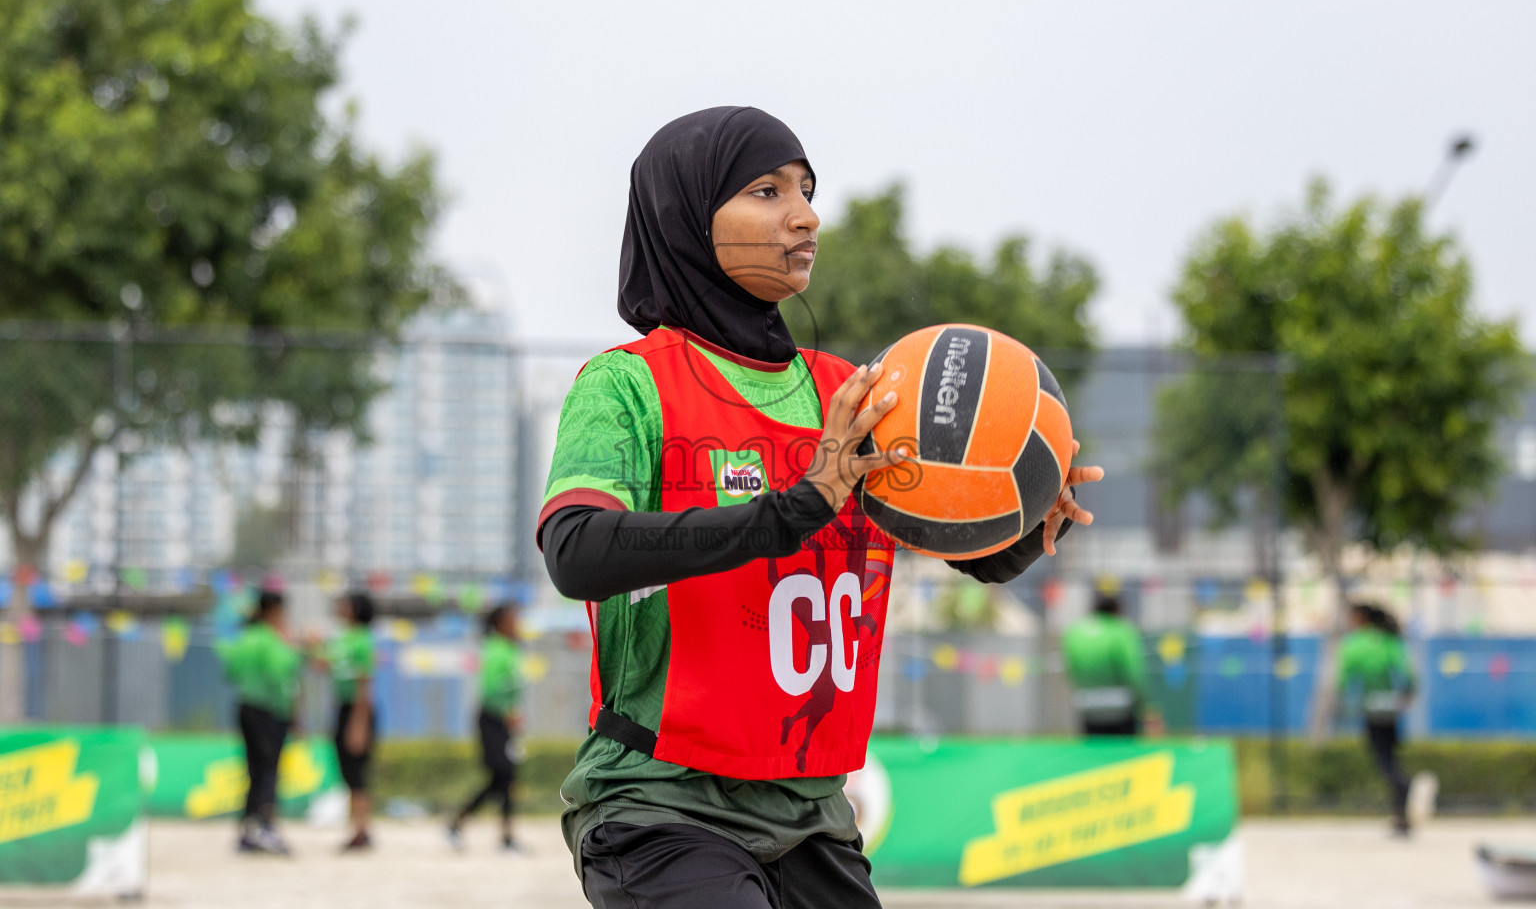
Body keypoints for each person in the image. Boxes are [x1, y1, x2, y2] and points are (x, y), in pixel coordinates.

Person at [537, 106, 1105, 908]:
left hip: (812, 816)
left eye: (806, 189)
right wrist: (796, 506)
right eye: (766, 192)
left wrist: (1023, 522)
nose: (804, 215)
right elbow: (576, 551)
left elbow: (960, 548)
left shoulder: (849, 389)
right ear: (689, 219)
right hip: (662, 805)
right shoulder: (627, 385)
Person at [218, 589, 301, 855]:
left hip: (245, 706)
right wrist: (292, 648)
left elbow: (230, 672)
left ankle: (247, 830)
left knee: (253, 770)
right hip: (270, 710)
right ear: (274, 611)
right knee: (269, 769)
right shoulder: (270, 639)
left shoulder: (245, 637)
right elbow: (283, 674)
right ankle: (266, 826)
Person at [447, 603, 524, 852]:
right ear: (501, 622)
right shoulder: (494, 649)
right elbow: (491, 689)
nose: (518, 623)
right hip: (491, 719)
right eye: (513, 618)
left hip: (504, 721)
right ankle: (460, 823)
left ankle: (504, 836)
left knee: (505, 777)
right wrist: (508, 712)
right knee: (501, 774)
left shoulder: (511, 649)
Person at [1337, 602, 1416, 836]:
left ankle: (1404, 786)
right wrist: (1407, 694)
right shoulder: (1390, 640)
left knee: (1384, 760)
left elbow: (1344, 677)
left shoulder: (1355, 643)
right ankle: (1401, 815)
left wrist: (1342, 703)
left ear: (1361, 618)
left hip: (1371, 707)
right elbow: (1408, 673)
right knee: (1391, 755)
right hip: (1392, 707)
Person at [317, 591, 377, 851]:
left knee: (357, 773)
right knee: (348, 772)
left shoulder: (362, 641)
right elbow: (324, 664)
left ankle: (362, 830)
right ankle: (357, 829)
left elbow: (365, 684)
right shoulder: (342, 639)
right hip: (342, 708)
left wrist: (359, 724)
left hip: (357, 709)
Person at [1061, 590, 1159, 736]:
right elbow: (1133, 672)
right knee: (1123, 752)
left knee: (1093, 750)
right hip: (1121, 704)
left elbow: (1070, 668)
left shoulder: (1075, 631)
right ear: (1117, 610)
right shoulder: (1121, 630)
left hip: (1087, 703)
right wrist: (1145, 703)